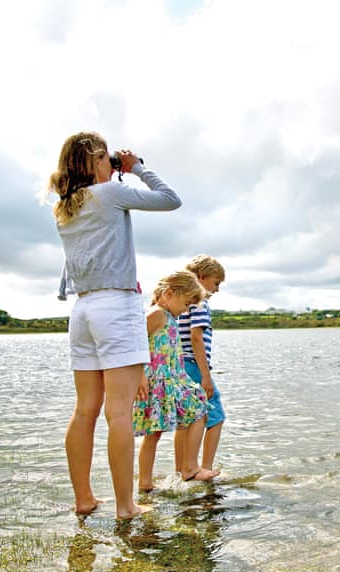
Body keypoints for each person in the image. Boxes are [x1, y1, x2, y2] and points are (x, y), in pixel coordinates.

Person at [49, 131, 181, 519]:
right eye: (106, 158)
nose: (113, 163)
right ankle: (126, 506)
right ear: (92, 162)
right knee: (118, 412)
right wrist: (137, 168)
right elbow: (171, 200)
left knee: (85, 409)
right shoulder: (109, 194)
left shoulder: (66, 206)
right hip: (116, 304)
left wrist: (116, 170)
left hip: (84, 310)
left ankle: (84, 499)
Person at [134, 271, 220, 487]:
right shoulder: (157, 315)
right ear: (170, 293)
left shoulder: (170, 317)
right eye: (185, 303)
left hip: (171, 380)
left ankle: (148, 483)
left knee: (194, 410)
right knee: (159, 431)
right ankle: (186, 469)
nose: (185, 310)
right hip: (157, 380)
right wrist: (139, 374)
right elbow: (135, 341)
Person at [179, 255, 226, 474]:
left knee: (187, 420)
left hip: (181, 365)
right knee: (216, 416)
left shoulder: (183, 304)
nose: (217, 289)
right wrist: (205, 376)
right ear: (201, 277)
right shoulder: (199, 303)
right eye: (216, 283)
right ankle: (204, 468)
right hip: (195, 365)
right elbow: (196, 337)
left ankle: (183, 468)